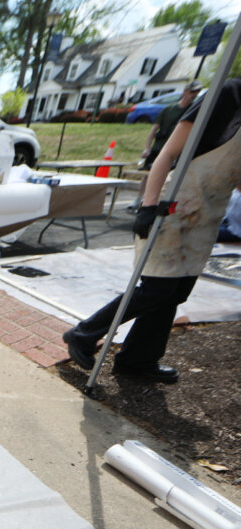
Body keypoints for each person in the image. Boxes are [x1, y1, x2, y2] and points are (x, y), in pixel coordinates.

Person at [64, 79, 241, 382]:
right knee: (157, 288)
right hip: (175, 203)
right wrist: (148, 205)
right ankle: (83, 333)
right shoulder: (229, 95)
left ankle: (137, 360)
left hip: (208, 214)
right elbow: (167, 153)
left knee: (175, 293)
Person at [128, 81, 202, 212]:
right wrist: (147, 148)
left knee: (165, 176)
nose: (194, 95)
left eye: (196, 92)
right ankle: (139, 200)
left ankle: (154, 202)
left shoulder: (192, 110)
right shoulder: (169, 109)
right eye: (192, 92)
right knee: (147, 175)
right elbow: (154, 129)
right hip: (158, 147)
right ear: (185, 92)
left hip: (174, 149)